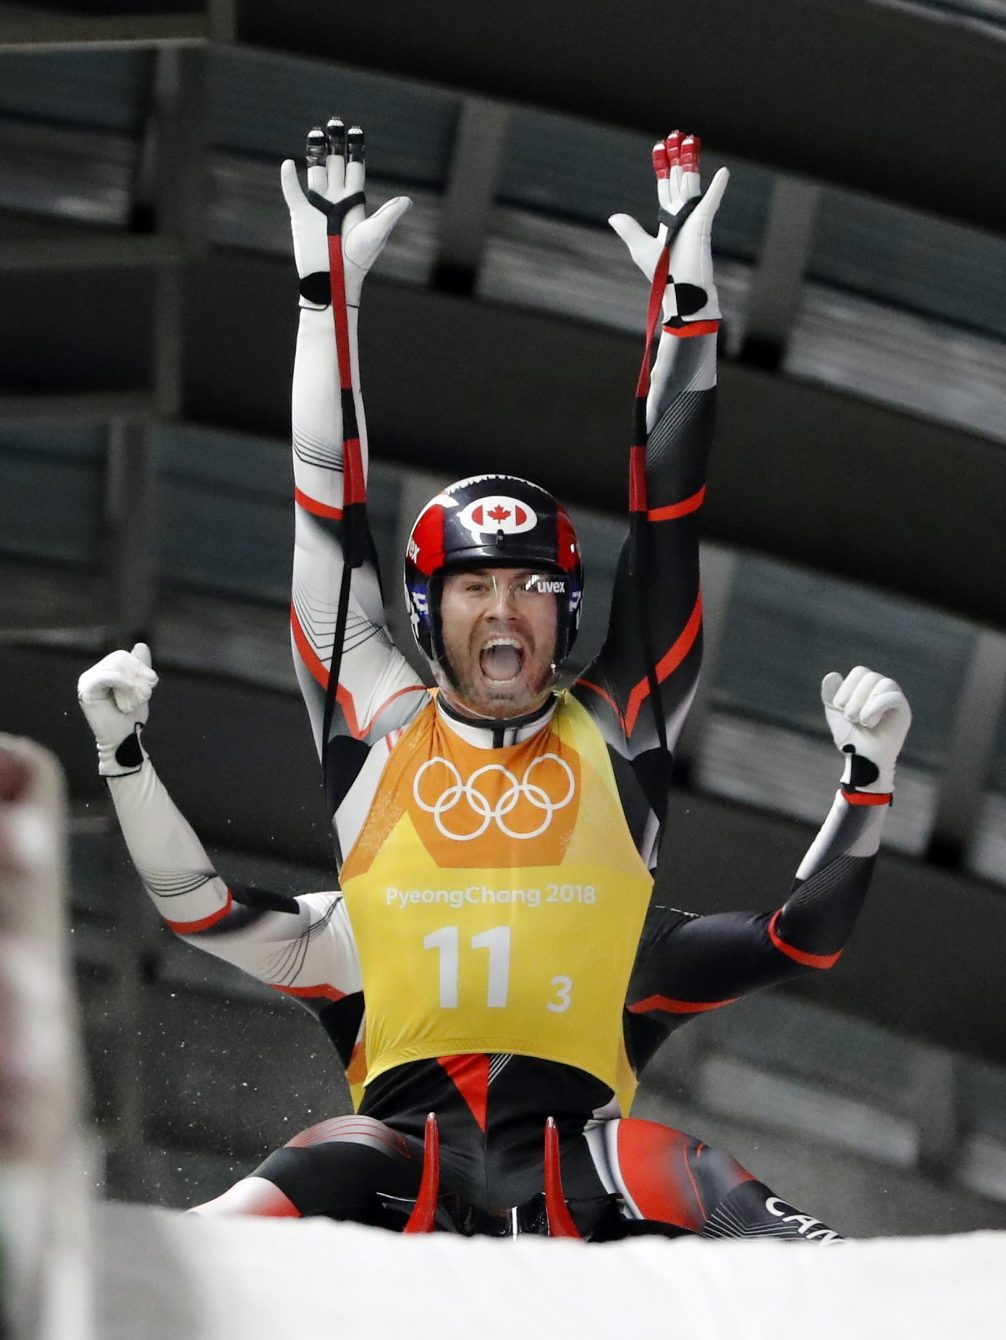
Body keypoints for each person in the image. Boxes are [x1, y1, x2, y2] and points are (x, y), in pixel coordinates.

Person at [77, 124, 911, 1239]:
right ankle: (144, 1267)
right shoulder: (375, 718)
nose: (505, 611)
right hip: (391, 1165)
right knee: (315, 1160)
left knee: (687, 1169)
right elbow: (324, 507)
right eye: (474, 587)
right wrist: (325, 302)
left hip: (589, 1170)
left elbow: (669, 514)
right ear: (426, 612)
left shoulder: (619, 725)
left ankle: (860, 1284)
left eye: (531, 586)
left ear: (570, 610)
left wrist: (687, 312)